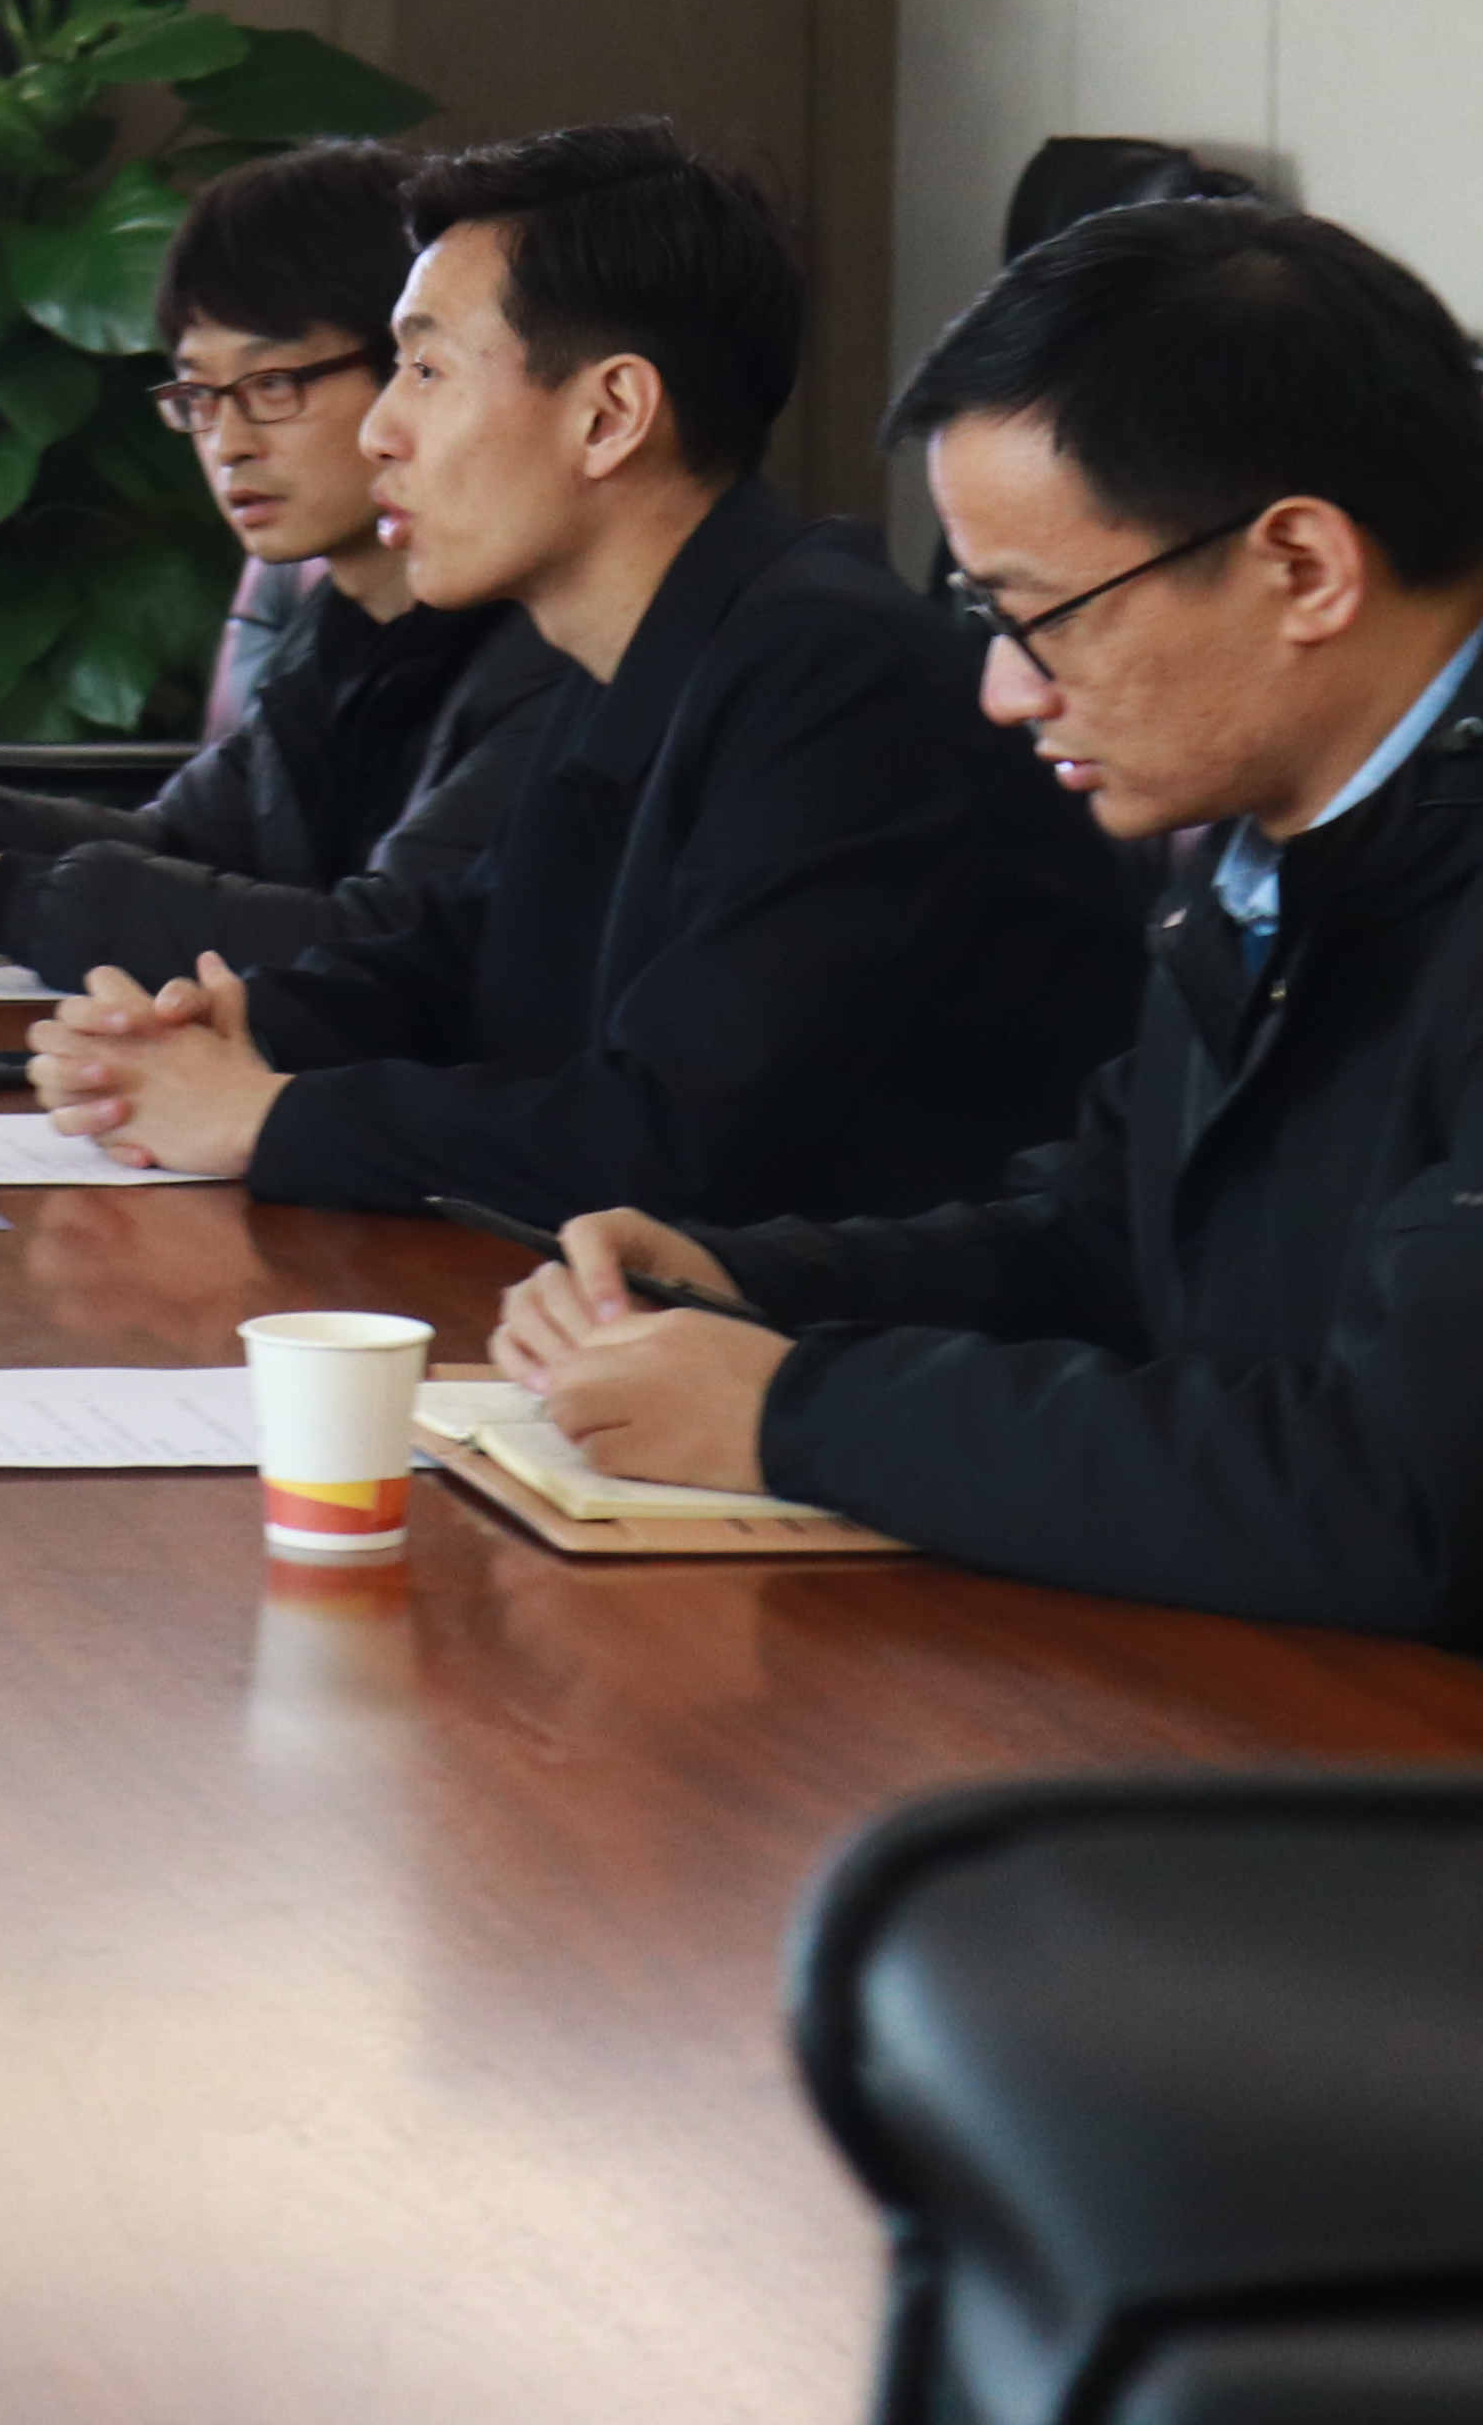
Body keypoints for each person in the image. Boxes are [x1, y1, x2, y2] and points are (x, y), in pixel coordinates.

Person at [500, 204, 1483, 1635]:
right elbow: (1103, 1246)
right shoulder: (1269, 841)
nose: (1005, 692)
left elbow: (1407, 1498)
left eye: (1043, 615)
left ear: (1304, 569)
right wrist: (745, 1284)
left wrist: (799, 1411)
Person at [29, 121, 1143, 1224]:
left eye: (426, 369)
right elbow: (459, 958)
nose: (379, 432)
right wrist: (242, 1031)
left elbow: (675, 1136)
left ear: (610, 415)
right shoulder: (644, 643)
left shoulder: (834, 672)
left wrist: (268, 1117)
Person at [0, 146, 576, 981]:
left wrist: (0, 897)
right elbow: (189, 840)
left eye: (271, 384)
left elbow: (382, 948)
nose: (228, 443)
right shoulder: (345, 621)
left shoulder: (550, 644)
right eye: (199, 396)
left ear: (414, 371)